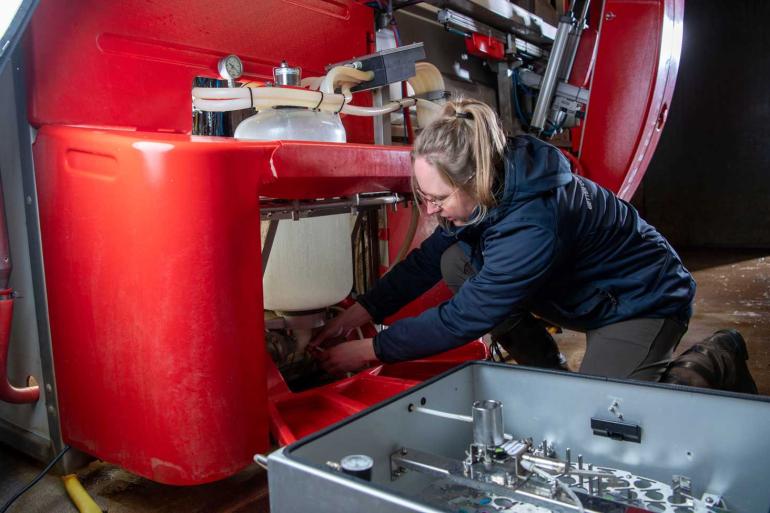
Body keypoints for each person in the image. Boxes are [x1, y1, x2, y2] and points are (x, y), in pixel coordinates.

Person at [309, 98, 757, 393]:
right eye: (423, 197)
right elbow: (426, 261)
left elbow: (465, 318)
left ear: (476, 180)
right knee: (452, 261)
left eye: (438, 199)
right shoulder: (487, 188)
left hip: (640, 299)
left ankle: (716, 356)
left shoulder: (533, 222)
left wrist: (371, 349)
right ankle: (551, 376)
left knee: (612, 421)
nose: (428, 211)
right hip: (580, 291)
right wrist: (361, 312)